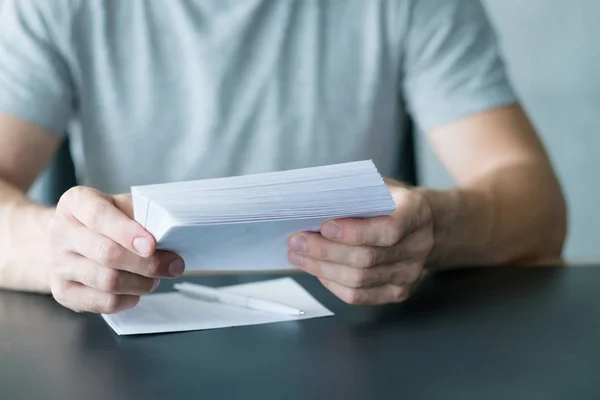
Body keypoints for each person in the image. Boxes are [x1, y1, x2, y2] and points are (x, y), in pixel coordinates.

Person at [0, 0, 566, 314]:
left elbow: (537, 213)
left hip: (354, 337)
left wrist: (435, 229)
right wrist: (56, 245)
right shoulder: (53, 7)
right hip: (129, 322)